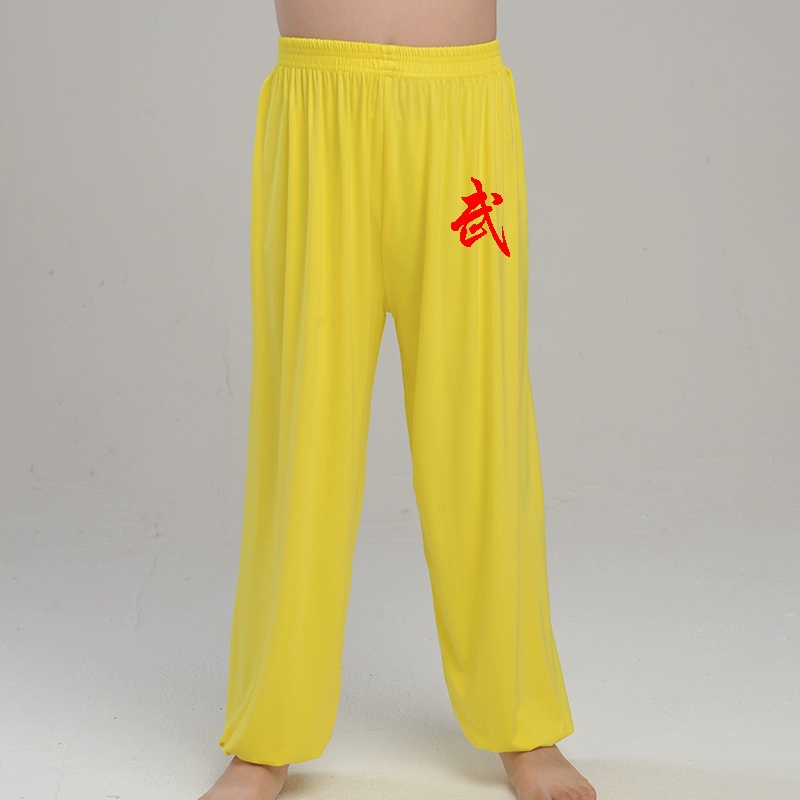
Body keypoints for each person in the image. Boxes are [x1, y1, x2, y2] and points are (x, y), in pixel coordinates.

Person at [199, 2, 597, 799]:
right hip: (318, 112)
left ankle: (523, 722)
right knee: (303, 431)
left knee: (481, 426)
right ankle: (266, 735)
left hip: (458, 117)